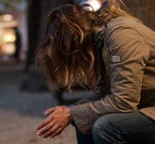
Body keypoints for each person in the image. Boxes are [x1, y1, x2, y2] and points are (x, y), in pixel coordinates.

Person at [35, 0, 155, 143]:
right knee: (83, 121)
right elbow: (104, 93)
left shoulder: (121, 35)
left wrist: (72, 113)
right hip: (146, 107)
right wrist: (70, 111)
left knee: (105, 126)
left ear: (74, 41)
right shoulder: (99, 42)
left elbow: (124, 101)